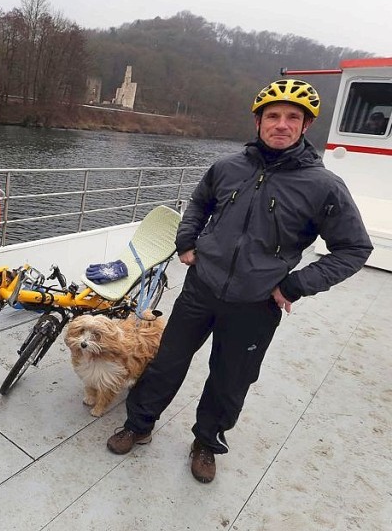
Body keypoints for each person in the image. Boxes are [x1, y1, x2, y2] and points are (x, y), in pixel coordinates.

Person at [105, 79, 373, 483]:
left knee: (230, 380)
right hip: (201, 287)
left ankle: (206, 443)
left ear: (305, 126)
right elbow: (198, 203)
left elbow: (354, 248)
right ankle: (139, 424)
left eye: (292, 117)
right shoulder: (227, 167)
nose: (281, 124)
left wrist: (296, 285)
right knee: (166, 363)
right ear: (259, 121)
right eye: (273, 116)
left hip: (256, 304)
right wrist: (186, 241)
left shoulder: (323, 186)